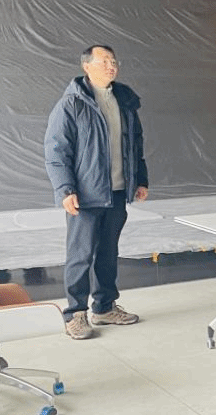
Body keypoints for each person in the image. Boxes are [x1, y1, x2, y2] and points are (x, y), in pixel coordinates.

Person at [44, 45, 148, 340]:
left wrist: (140, 180)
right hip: (86, 194)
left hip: (117, 191)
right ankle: (75, 314)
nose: (111, 66)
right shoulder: (71, 104)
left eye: (113, 61)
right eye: (104, 61)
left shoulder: (124, 101)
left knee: (108, 252)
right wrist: (65, 189)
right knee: (80, 255)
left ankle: (104, 307)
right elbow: (56, 150)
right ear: (86, 66)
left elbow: (135, 144)